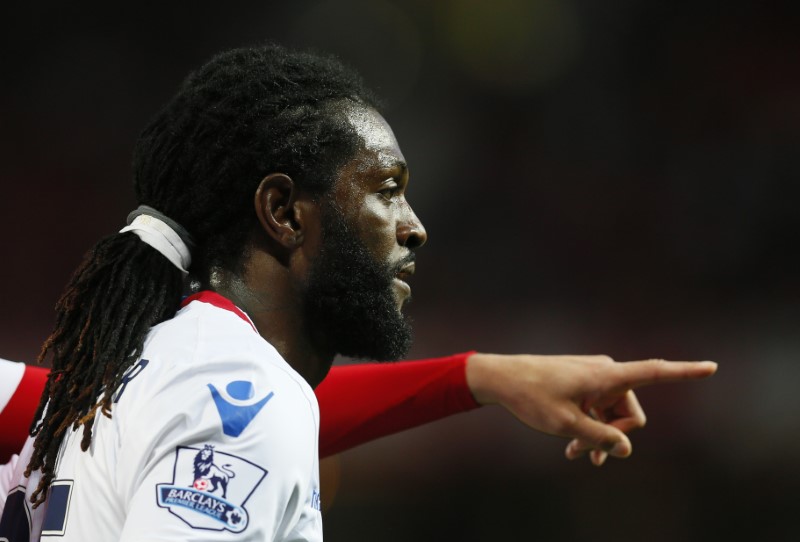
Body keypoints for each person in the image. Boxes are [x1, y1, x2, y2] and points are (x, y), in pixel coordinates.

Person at [0, 44, 716, 541]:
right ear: (283, 212)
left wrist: (479, 377)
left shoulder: (136, 381)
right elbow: (238, 413)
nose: (416, 228)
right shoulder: (235, 392)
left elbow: (229, 411)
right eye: (387, 191)